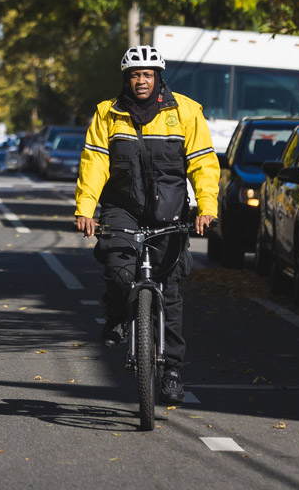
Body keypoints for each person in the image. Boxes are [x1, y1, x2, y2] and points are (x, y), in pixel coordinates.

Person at [73, 45, 219, 405]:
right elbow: (94, 164)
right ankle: (120, 312)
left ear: (158, 78)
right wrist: (86, 209)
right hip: (121, 207)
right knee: (118, 266)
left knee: (169, 292)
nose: (142, 81)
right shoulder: (108, 114)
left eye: (148, 75)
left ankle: (170, 371)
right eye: (135, 75)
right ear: (127, 79)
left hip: (169, 210)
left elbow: (203, 162)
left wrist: (206, 206)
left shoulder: (185, 111)